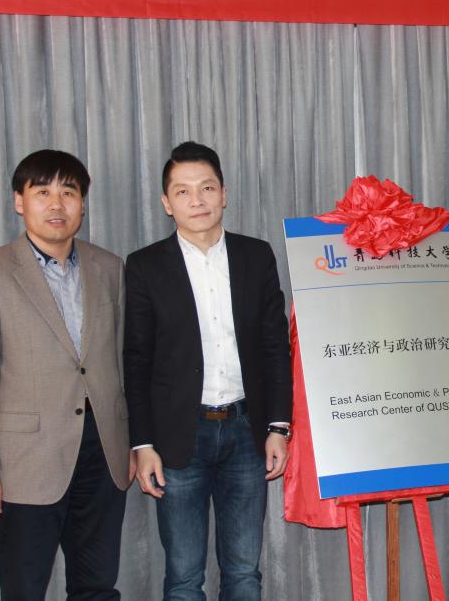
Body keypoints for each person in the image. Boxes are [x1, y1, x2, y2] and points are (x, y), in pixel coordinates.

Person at [0, 149, 134, 599]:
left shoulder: (109, 267)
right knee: (24, 588)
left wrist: (132, 442)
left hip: (102, 453)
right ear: (20, 201)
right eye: (43, 192)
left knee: (97, 586)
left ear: (82, 204)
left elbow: (121, 361)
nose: (57, 204)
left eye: (68, 192)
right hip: (26, 463)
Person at [124, 141, 292, 600]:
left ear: (224, 194)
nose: (196, 200)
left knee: (244, 572)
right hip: (178, 437)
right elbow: (135, 361)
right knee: (183, 577)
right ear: (167, 203)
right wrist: (143, 444)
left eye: (207, 188)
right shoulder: (144, 267)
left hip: (247, 431)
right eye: (183, 191)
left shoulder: (256, 256)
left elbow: (275, 347)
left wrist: (278, 427)